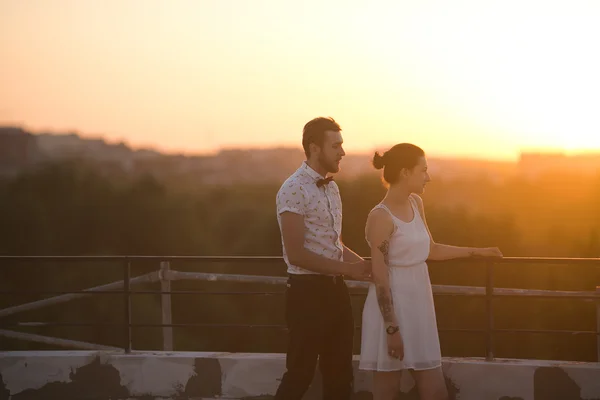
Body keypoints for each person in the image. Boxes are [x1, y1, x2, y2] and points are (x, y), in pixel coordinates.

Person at [359, 143, 503, 400]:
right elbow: (380, 278)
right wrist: (392, 329)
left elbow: (431, 249)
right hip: (391, 311)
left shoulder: (416, 203)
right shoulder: (380, 217)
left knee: (435, 391)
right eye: (423, 170)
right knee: (387, 391)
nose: (429, 176)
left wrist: (477, 251)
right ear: (405, 172)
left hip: (419, 306)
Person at [274, 117, 371, 400]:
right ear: (315, 148)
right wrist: (349, 270)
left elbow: (333, 244)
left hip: (336, 292)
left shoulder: (332, 188)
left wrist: (365, 266)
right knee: (300, 374)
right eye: (336, 145)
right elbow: (297, 255)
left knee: (341, 376)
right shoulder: (292, 189)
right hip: (306, 294)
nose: (343, 151)